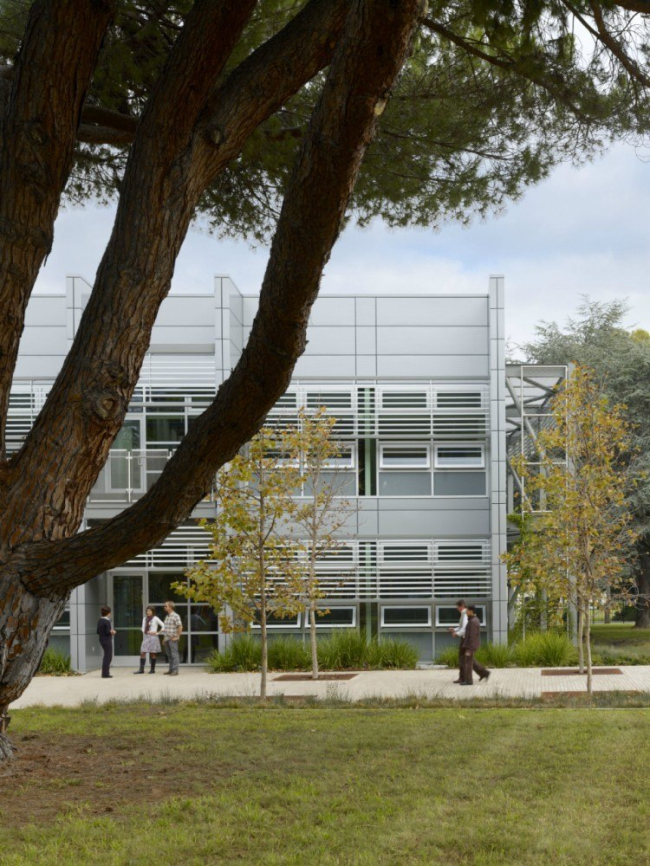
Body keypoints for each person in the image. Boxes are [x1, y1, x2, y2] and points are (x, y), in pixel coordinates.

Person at [459, 605, 490, 686]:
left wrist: (470, 649)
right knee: (471, 661)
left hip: (470, 645)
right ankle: (484, 673)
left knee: (468, 663)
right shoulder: (472, 620)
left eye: (467, 610)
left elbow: (473, 636)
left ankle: (469, 681)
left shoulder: (473, 622)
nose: (466, 611)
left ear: (471, 611)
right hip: (469, 644)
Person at [134, 606, 165, 674]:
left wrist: (157, 632)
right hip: (146, 637)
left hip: (153, 637)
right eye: (147, 611)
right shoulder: (145, 619)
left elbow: (163, 625)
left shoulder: (155, 618)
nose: (148, 612)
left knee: (152, 653)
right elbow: (142, 628)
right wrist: (145, 631)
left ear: (153, 612)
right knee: (142, 652)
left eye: (149, 611)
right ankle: (141, 669)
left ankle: (152, 669)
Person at [162, 600, 183, 676]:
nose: (164, 607)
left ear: (170, 607)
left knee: (174, 655)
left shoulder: (176, 616)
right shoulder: (167, 616)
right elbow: (166, 629)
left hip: (173, 638)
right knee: (169, 655)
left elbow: (180, 626)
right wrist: (164, 639)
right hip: (167, 638)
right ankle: (171, 670)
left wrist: (177, 637)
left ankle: (175, 671)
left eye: (165, 606)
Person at [97, 605, 116, 679]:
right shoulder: (107, 621)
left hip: (101, 639)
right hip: (107, 640)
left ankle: (105, 673)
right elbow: (108, 632)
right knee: (108, 657)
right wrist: (112, 632)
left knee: (106, 656)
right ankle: (105, 673)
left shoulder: (100, 620)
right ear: (108, 613)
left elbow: (98, 631)